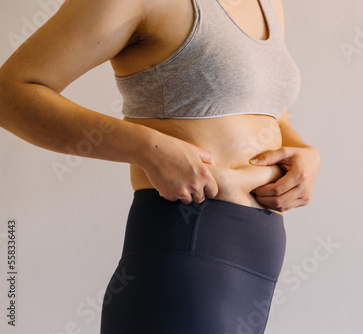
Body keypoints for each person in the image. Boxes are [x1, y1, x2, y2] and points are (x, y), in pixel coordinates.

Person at [0, 0, 322, 332]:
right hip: (185, 256)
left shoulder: (268, 4)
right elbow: (9, 94)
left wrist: (303, 151)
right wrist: (147, 148)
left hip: (255, 273)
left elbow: (269, 110)